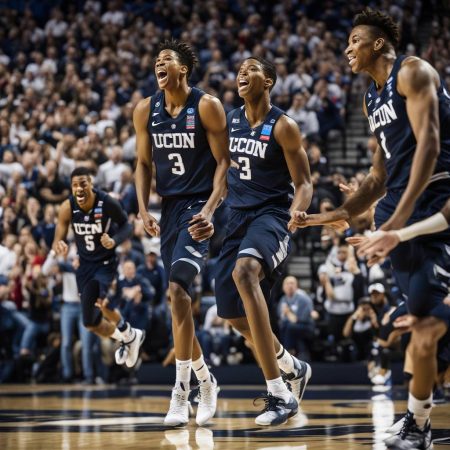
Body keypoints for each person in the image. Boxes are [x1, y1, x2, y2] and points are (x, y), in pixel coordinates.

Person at [290, 9, 450, 448]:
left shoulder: (413, 72)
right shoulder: (371, 98)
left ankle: (419, 426)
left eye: (355, 40)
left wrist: (396, 223)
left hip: (435, 204)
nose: (347, 49)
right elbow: (378, 180)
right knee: (423, 326)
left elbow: (431, 145)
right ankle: (418, 419)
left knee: (427, 327)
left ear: (377, 43)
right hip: (399, 214)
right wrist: (326, 215)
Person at [133, 39, 230, 427]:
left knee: (178, 289)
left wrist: (210, 209)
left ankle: (181, 390)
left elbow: (225, 162)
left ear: (183, 69)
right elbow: (142, 163)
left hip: (200, 206)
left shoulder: (206, 105)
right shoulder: (145, 109)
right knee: (178, 302)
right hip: (170, 208)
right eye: (156, 60)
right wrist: (142, 208)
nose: (159, 64)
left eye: (167, 59)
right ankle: (207, 382)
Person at [214, 56, 313, 426]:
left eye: (251, 68)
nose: (241, 73)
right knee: (234, 317)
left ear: (268, 79)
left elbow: (303, 183)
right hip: (235, 218)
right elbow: (220, 170)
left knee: (245, 273)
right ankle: (291, 366)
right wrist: (208, 211)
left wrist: (297, 212)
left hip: (271, 216)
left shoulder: (284, 126)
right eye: (238, 69)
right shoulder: (229, 120)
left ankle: (277, 393)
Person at [52, 167, 145, 370]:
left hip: (105, 264)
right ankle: (127, 336)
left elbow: (127, 226)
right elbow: (58, 235)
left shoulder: (106, 202)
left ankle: (128, 336)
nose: (79, 188)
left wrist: (114, 240)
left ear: (91, 183)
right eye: (75, 184)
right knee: (90, 323)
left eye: (83, 183)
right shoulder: (67, 207)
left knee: (104, 303)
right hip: (84, 266)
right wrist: (58, 244)